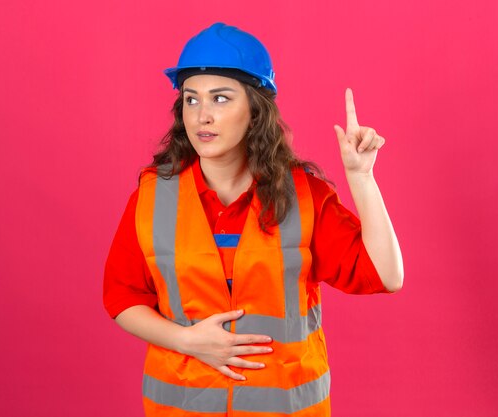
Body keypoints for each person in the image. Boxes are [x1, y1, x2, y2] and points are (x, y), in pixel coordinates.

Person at [103, 22, 403, 417]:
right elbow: (121, 297)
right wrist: (187, 340)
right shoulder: (153, 198)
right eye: (191, 100)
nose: (202, 116)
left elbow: (386, 276)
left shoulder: (303, 197)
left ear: (255, 110)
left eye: (220, 98)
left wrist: (362, 177)